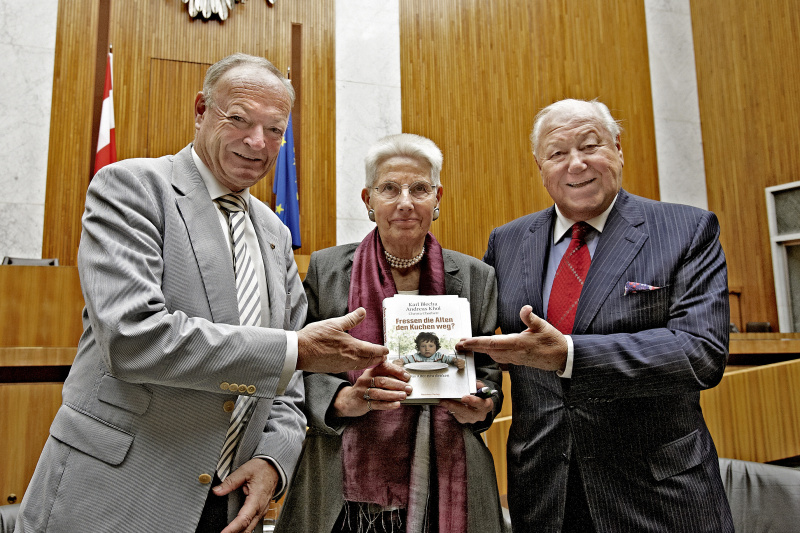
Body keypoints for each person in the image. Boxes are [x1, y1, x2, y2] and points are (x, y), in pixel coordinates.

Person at [15, 54, 387, 533]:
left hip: (224, 503)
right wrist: (296, 350)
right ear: (200, 110)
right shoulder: (133, 188)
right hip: (117, 492)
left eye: (275, 130)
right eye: (239, 119)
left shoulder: (275, 234)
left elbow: (288, 387)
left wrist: (274, 462)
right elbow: (133, 339)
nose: (257, 142)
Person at [458, 99, 733, 532]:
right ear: (540, 165)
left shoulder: (687, 230)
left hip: (658, 493)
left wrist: (568, 354)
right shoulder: (507, 243)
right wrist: (482, 396)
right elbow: (487, 345)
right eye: (557, 153)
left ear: (618, 148)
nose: (576, 164)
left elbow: (700, 353)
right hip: (545, 494)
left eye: (590, 145)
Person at [275, 134, 507, 533]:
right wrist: (343, 399)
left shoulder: (474, 276)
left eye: (419, 188)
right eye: (389, 188)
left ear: (437, 199)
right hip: (341, 478)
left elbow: (486, 372)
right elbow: (297, 363)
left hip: (447, 469)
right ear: (368, 200)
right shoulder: (328, 270)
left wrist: (484, 404)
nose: (405, 202)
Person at [396, 331, 466, 369]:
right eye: (423, 346)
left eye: (431, 346)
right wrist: (398, 362)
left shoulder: (439, 356)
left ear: (436, 347)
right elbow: (402, 360)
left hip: (437, 377)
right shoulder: (416, 357)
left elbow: (452, 360)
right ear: (418, 348)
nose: (427, 349)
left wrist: (458, 361)